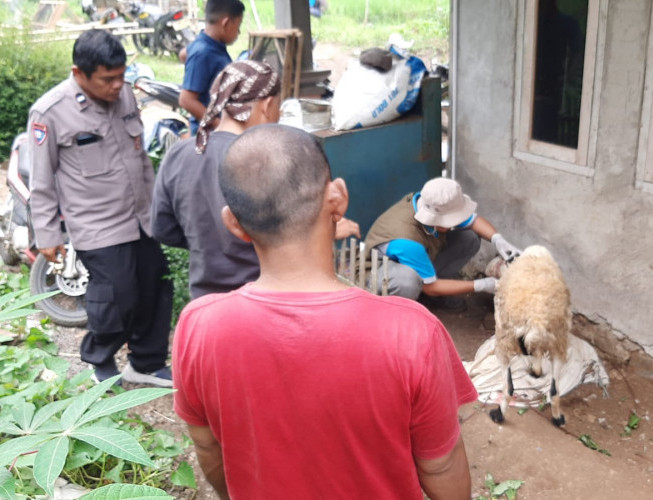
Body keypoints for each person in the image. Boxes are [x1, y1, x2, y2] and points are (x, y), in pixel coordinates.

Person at [172, 124, 476, 499]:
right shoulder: (412, 333)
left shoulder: (199, 327)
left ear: (234, 223)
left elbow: (207, 448)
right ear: (338, 198)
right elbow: (441, 465)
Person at [27, 30, 173, 387]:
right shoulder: (50, 112)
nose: (117, 85)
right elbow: (42, 182)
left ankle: (147, 362)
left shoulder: (124, 95)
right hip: (97, 223)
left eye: (121, 76)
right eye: (108, 79)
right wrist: (46, 234)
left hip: (139, 216)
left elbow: (139, 161)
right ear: (79, 73)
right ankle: (99, 359)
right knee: (117, 294)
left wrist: (158, 211)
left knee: (156, 284)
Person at [152, 60, 360, 299]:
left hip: (207, 301)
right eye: (277, 106)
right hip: (266, 300)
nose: (278, 114)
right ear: (267, 105)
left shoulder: (179, 154)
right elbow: (292, 230)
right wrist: (327, 228)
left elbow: (163, 229)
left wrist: (207, 242)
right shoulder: (270, 160)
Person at [363, 177, 522, 304]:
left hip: (416, 258)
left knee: (469, 238)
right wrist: (480, 285)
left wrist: (497, 239)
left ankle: (435, 296)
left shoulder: (432, 202)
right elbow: (430, 287)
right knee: (408, 281)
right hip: (380, 271)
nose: (456, 222)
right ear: (436, 219)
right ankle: (401, 313)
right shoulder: (407, 241)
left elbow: (473, 221)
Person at [179, 0, 244, 135]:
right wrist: (218, 124)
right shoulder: (203, 53)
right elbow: (186, 100)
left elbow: (183, 54)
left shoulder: (210, 44)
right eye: (238, 26)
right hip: (209, 136)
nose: (239, 32)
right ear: (226, 23)